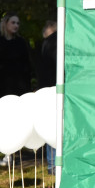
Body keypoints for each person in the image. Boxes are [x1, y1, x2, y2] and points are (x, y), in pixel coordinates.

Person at [0, 14, 34, 103]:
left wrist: (27, 85)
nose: (16, 25)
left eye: (18, 23)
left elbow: (27, 64)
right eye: (13, 23)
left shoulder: (21, 42)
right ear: (5, 23)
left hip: (19, 85)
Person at [39, 18, 58, 171]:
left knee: (51, 125)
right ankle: (53, 163)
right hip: (55, 87)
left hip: (46, 88)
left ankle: (52, 163)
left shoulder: (46, 44)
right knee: (56, 125)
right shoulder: (56, 42)